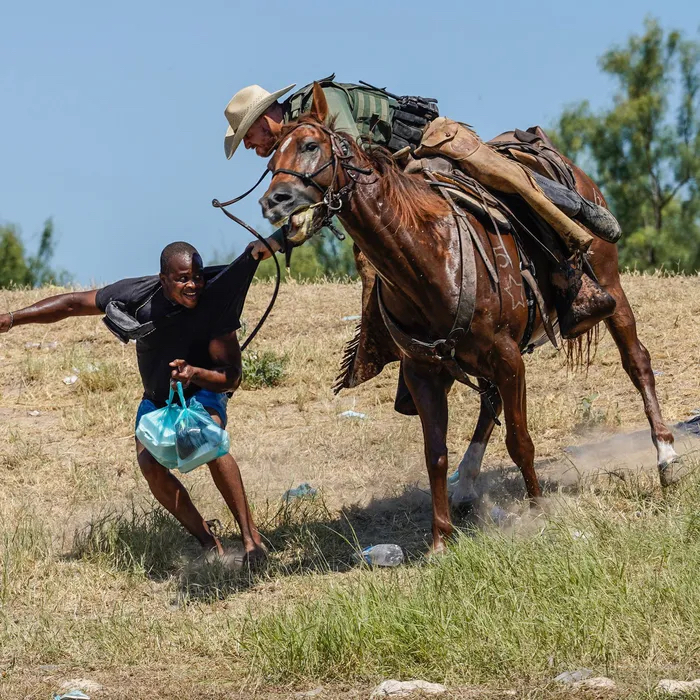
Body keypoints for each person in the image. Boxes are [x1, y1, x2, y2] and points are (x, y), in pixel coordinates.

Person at [0, 242, 266, 564]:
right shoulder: (137, 294)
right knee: (151, 467)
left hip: (203, 391)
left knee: (207, 439)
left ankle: (252, 540)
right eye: (183, 279)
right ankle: (208, 541)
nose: (193, 285)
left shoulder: (215, 304)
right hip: (157, 399)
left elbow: (232, 377)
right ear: (163, 278)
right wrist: (13, 318)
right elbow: (72, 304)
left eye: (197, 276)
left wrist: (194, 373)